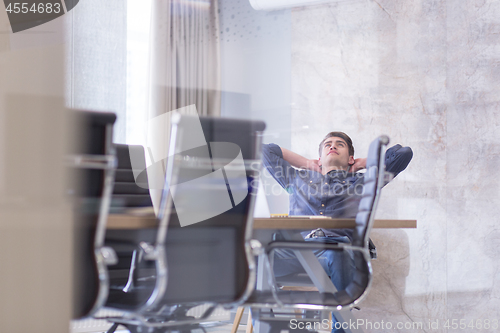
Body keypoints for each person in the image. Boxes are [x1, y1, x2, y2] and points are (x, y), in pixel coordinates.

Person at [261, 132, 413, 333]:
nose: (333, 146)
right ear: (319, 157)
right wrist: (307, 163)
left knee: (338, 252)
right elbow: (264, 150)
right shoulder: (296, 178)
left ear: (350, 158)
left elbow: (402, 154)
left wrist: (359, 164)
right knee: (255, 257)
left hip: (333, 252)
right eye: (328, 145)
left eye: (339, 145)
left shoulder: (362, 183)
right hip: (295, 252)